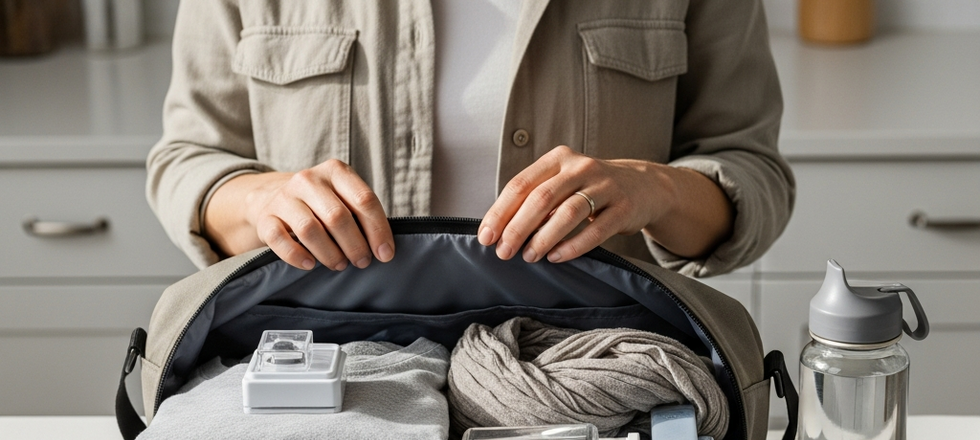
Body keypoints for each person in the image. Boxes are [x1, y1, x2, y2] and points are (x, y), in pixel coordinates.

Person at [147, 0, 794, 280]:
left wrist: (656, 188)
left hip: (594, 386)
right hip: (325, 385)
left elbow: (752, 171)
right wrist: (262, 201)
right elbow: (188, 162)